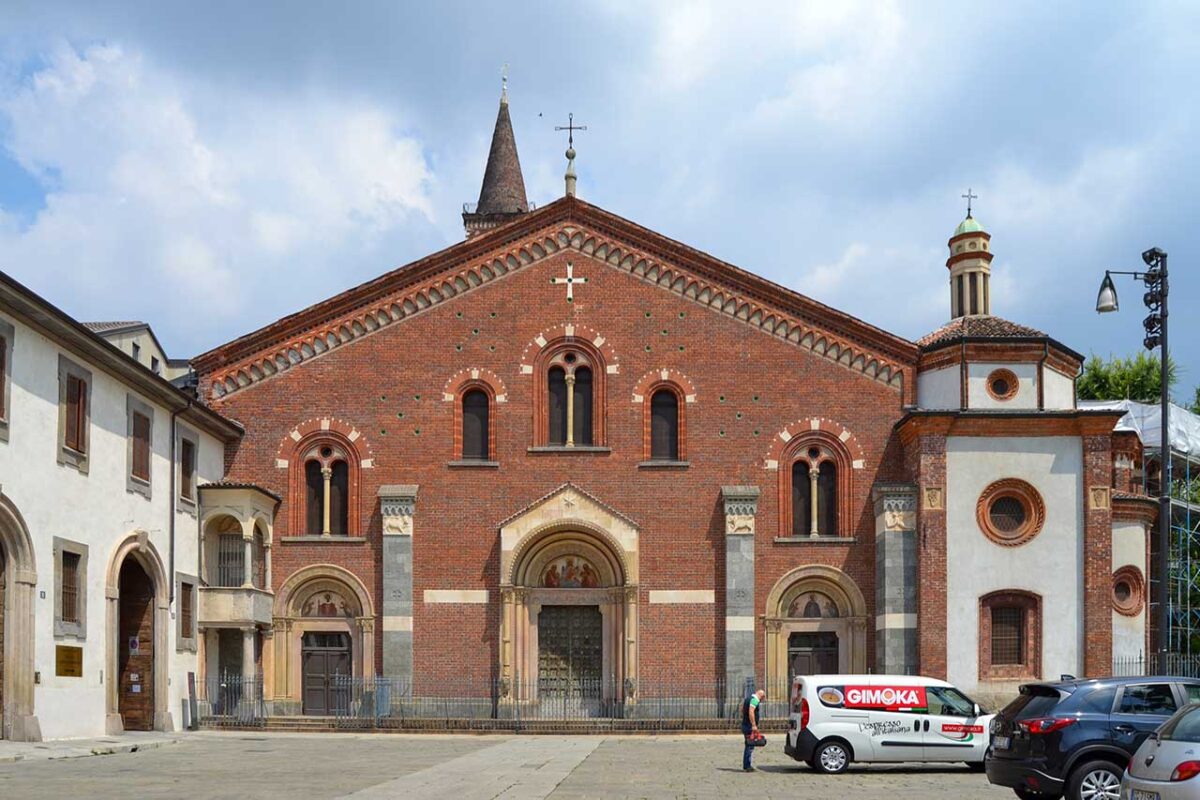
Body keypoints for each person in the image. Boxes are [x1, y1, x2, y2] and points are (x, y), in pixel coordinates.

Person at [741, 689, 766, 771]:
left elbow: (742, 709)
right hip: (749, 726)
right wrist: (754, 725)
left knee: (748, 744)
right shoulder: (755, 700)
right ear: (761, 696)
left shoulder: (748, 699)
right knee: (750, 746)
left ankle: (746, 764)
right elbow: (751, 712)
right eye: (762, 699)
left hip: (745, 724)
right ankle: (747, 766)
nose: (761, 701)